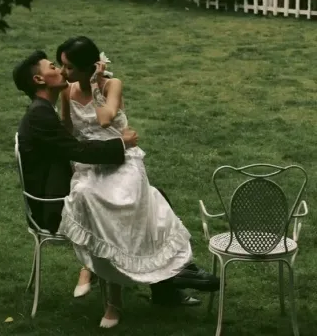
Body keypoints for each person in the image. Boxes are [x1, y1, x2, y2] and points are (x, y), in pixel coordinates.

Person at [56, 36, 219, 328]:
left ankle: (129, 290)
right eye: (62, 65)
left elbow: (105, 119)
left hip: (123, 160)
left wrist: (95, 85)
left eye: (69, 67)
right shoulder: (67, 92)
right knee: (87, 195)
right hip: (91, 162)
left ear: (88, 68)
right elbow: (68, 131)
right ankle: (97, 278)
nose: (63, 72)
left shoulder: (112, 85)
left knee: (124, 203)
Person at [13, 51, 138, 234]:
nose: (62, 71)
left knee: (135, 194)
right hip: (54, 207)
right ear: (39, 79)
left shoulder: (42, 109)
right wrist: (122, 143)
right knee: (130, 201)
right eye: (54, 67)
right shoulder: (40, 114)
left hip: (59, 192)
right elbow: (78, 150)